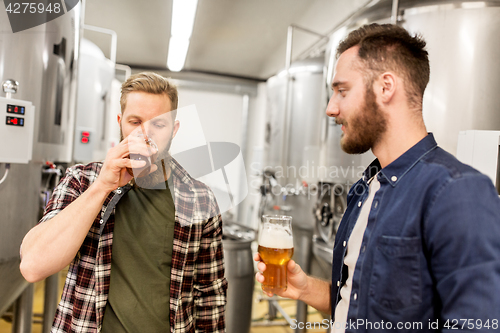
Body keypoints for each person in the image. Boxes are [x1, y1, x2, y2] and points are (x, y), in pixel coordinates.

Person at [255, 23, 500, 332]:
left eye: (342, 91)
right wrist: (304, 289)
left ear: (386, 87)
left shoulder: (456, 191)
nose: (331, 108)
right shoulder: (365, 188)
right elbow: (360, 305)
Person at [20, 72, 227, 333]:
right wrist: (103, 186)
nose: (144, 134)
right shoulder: (82, 180)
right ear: (121, 123)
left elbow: (210, 293)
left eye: (158, 125)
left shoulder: (201, 199)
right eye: (135, 122)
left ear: (174, 130)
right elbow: (33, 266)